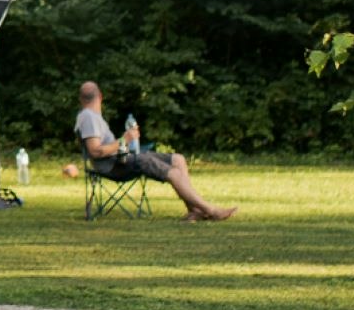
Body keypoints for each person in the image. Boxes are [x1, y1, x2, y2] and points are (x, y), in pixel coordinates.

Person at [71, 81, 236, 221]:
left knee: (177, 159)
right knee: (173, 172)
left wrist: (126, 142)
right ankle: (210, 210)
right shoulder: (88, 117)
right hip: (114, 166)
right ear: (100, 96)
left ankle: (193, 211)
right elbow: (96, 151)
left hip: (123, 158)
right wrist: (124, 140)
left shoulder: (91, 116)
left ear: (81, 99)